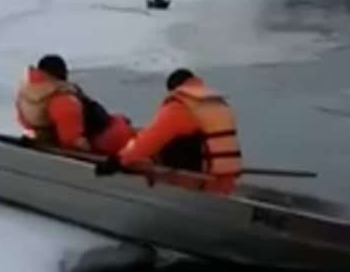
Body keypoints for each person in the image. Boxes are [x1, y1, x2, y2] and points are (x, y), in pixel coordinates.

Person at [95, 68, 243, 194]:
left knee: (154, 152)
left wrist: (118, 160)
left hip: (198, 180)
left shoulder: (181, 106)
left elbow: (149, 140)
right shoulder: (218, 103)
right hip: (226, 177)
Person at [15, 54, 135, 155]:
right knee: (138, 139)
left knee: (124, 123)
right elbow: (72, 140)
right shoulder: (62, 99)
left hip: (92, 127)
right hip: (104, 138)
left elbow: (24, 120)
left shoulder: (26, 94)